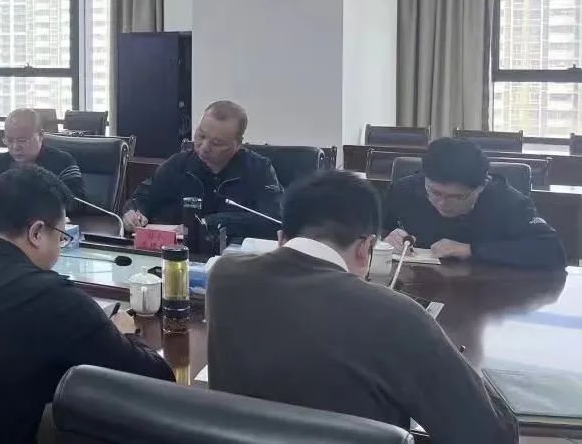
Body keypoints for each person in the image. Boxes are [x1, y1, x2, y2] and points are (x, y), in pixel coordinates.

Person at [207, 171, 518, 444]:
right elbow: (489, 435)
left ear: (281, 238)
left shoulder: (224, 277)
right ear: (366, 247)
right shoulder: (397, 313)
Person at [0, 166, 172, 444]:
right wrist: (126, 333)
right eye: (60, 237)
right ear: (37, 232)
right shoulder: (55, 299)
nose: (59, 248)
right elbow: (158, 379)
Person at [384, 138, 566, 269]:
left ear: (482, 185)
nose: (442, 203)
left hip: (483, 292)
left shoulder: (507, 201)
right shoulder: (405, 189)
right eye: (434, 192)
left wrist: (471, 250)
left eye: (456, 197)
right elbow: (376, 229)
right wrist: (389, 237)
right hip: (413, 287)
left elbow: (552, 252)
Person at [122, 100, 282, 239]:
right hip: (180, 253)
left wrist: (210, 223)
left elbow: (274, 219)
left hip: (234, 256)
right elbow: (143, 197)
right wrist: (134, 212)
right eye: (201, 136)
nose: (204, 147)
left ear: (237, 144)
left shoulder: (258, 169)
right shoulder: (179, 164)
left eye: (217, 143)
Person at [0, 107, 84, 208]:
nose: (15, 147)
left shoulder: (62, 162)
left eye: (22, 140)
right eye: (9, 140)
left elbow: (77, 203)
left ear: (41, 135)